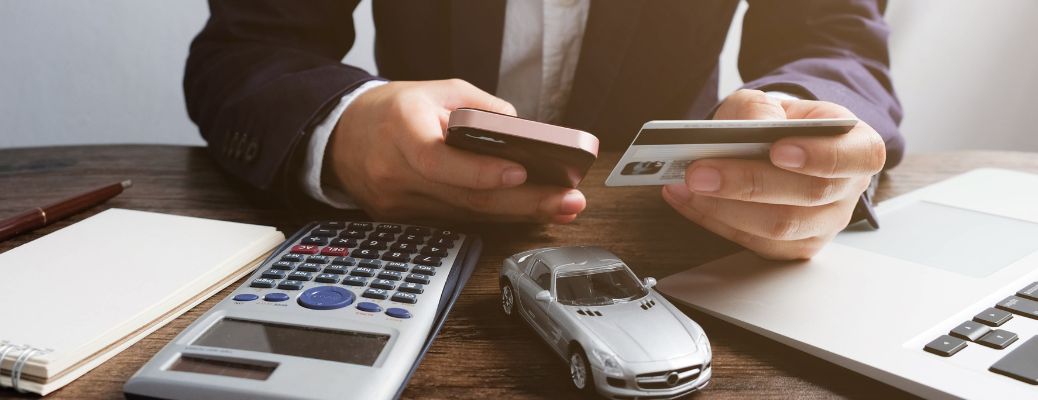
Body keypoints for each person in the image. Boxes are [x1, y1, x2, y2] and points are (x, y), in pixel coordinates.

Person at [185, 0, 902, 260]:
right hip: (403, 237)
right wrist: (345, 128)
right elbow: (246, 48)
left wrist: (798, 128)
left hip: (681, 238)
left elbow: (835, 37)